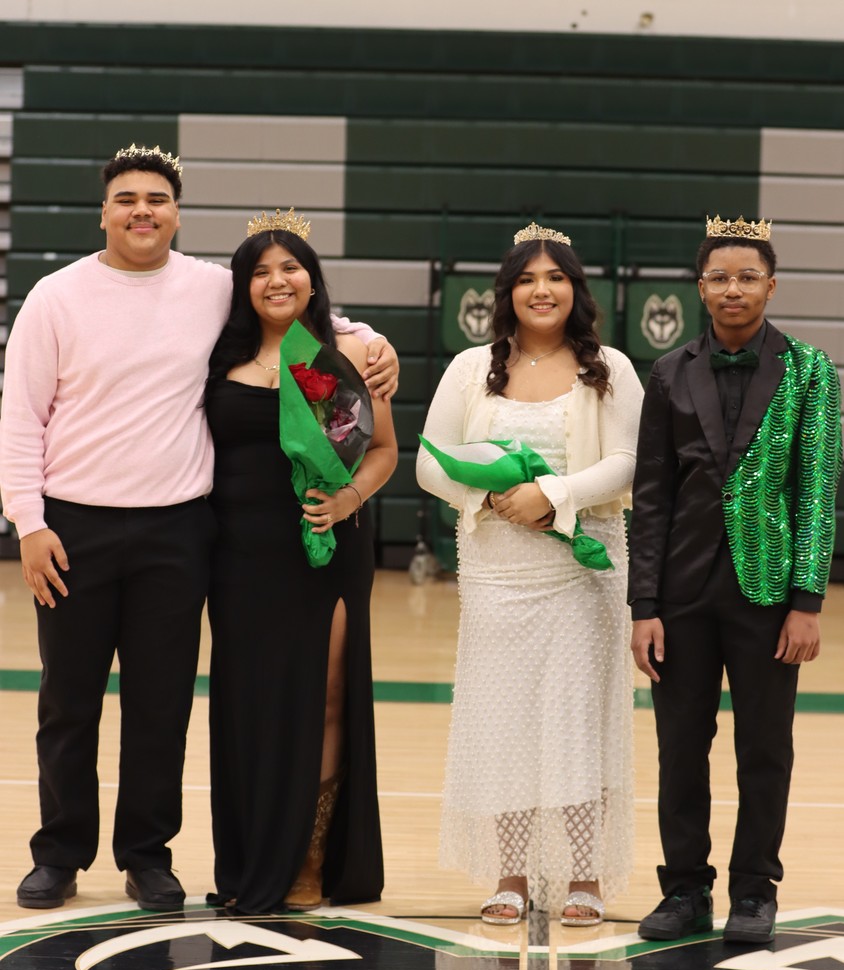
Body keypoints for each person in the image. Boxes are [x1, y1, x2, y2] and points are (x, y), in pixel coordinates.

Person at [0, 144, 399, 912]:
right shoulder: (56, 296)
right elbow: (20, 419)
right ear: (105, 210)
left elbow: (310, 313)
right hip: (74, 527)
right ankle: (60, 852)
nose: (141, 210)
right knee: (69, 700)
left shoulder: (213, 288)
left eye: (156, 198)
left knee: (161, 702)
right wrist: (29, 521)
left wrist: (375, 346)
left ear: (178, 214)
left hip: (182, 527)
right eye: (126, 198)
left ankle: (146, 855)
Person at [417, 222, 643, 924]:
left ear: (576, 290)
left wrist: (557, 496)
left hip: (582, 573)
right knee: (504, 723)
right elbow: (430, 461)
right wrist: (489, 496)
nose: (540, 290)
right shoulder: (469, 368)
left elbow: (633, 460)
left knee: (576, 722)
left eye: (555, 278)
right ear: (506, 293)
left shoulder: (610, 366)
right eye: (526, 280)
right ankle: (508, 874)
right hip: (497, 575)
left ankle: (585, 875)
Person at [629, 215, 842, 944]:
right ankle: (684, 887)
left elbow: (817, 491)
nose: (733, 288)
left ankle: (756, 890)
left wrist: (807, 602)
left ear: (771, 285)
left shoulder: (813, 371)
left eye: (748, 276)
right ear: (700, 287)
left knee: (765, 747)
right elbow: (651, 495)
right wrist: (644, 604)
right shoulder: (667, 372)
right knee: (680, 748)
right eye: (719, 276)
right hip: (681, 594)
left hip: (769, 595)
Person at [203, 209, 397, 914]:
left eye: (291, 268)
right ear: (243, 286)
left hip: (328, 549)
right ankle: (258, 854)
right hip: (239, 559)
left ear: (314, 282)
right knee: (251, 706)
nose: (277, 280)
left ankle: (312, 857)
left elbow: (382, 451)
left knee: (327, 697)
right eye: (261, 270)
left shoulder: (344, 357)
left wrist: (347, 500)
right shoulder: (215, 360)